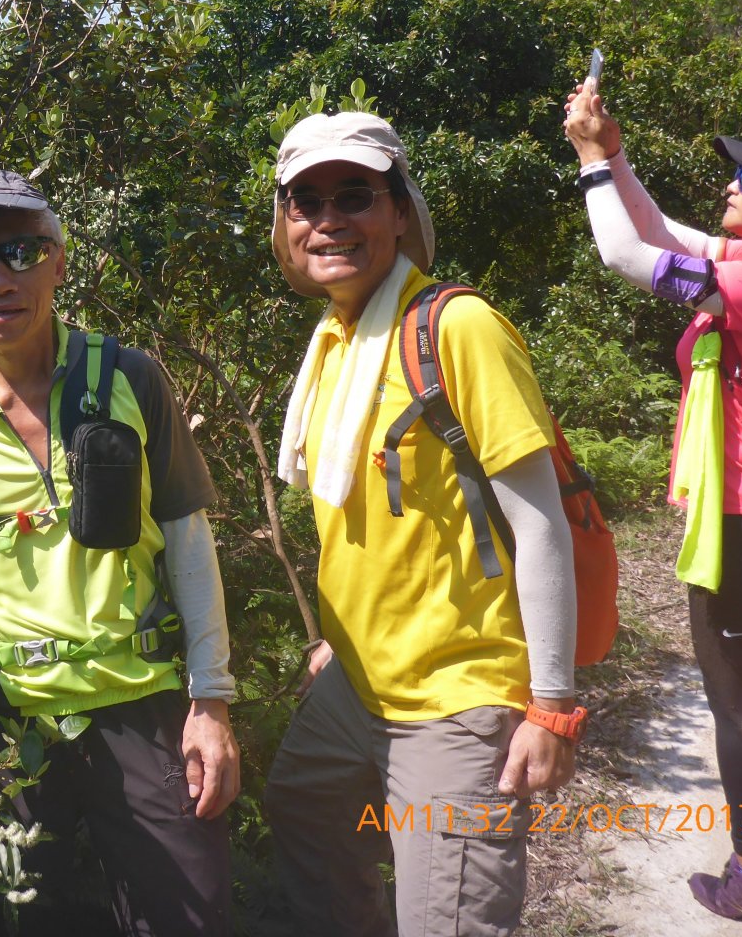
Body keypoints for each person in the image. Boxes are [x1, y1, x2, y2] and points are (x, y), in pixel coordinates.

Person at [0, 170, 240, 936]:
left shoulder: (131, 378)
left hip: (141, 707)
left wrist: (210, 702)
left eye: (21, 251)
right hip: (3, 721)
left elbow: (188, 540)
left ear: (60, 263)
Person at [263, 112, 582, 937]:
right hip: (357, 682)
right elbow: (362, 521)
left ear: (400, 211)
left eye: (354, 195)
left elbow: (540, 523)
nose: (328, 219)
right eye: (306, 201)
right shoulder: (337, 337)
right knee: (301, 809)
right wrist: (337, 639)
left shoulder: (457, 327)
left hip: (456, 696)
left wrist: (551, 706)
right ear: (285, 222)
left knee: (448, 919)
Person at [564, 85, 742, 919]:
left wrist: (587, 163)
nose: (733, 183)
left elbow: (626, 256)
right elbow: (661, 233)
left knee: (735, 699)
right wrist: (614, 155)